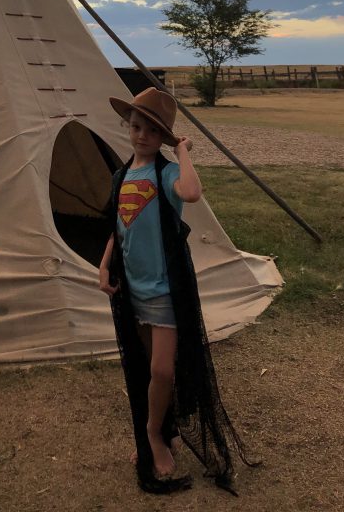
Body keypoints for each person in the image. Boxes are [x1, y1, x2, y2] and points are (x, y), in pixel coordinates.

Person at [99, 87, 254, 495]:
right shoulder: (120, 178)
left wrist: (182, 151)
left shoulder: (165, 175)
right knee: (150, 372)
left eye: (152, 130)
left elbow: (191, 193)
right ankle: (163, 431)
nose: (141, 136)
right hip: (132, 292)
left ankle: (152, 433)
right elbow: (118, 229)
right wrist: (103, 265)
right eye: (135, 127)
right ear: (127, 129)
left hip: (165, 291)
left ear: (163, 137)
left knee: (164, 371)